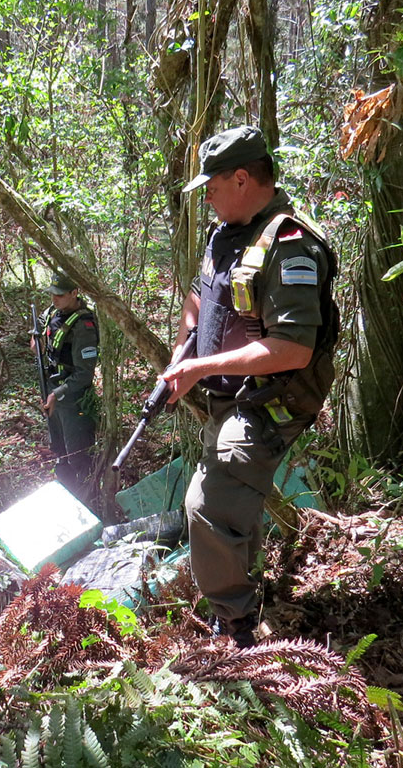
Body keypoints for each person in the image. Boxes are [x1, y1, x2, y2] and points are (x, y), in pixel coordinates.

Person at [161, 125, 339, 648]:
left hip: (270, 402)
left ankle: (236, 629)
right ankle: (245, 590)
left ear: (242, 178)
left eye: (212, 186)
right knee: (233, 504)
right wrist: (182, 351)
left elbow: (293, 349)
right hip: (225, 394)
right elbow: (199, 295)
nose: (207, 197)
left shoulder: (290, 244)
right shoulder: (228, 233)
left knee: (207, 506)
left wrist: (200, 366)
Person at [35, 270, 99, 502]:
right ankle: (65, 492)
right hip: (52, 391)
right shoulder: (54, 311)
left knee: (78, 455)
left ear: (74, 293)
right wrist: (36, 339)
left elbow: (84, 374)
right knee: (59, 449)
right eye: (52, 294)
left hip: (72, 400)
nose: (54, 299)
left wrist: (57, 395)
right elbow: (41, 328)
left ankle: (86, 499)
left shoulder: (84, 325)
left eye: (60, 295)